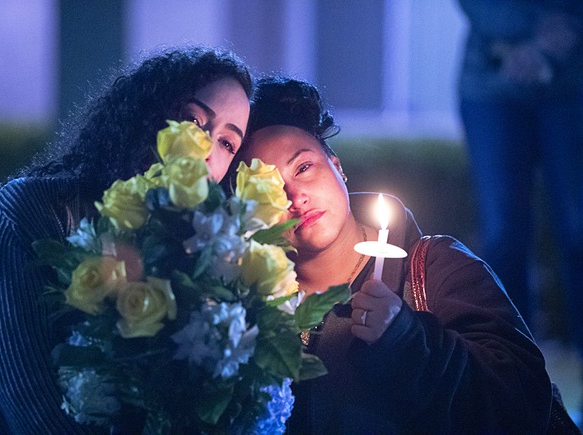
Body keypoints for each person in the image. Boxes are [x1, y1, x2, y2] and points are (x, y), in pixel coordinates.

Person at [234, 76, 559, 433]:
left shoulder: (437, 269)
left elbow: (523, 401)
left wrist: (405, 341)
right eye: (269, 190)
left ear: (337, 166)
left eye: (304, 167)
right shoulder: (243, 310)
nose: (295, 197)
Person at [0, 46, 252, 433]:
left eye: (228, 143)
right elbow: (23, 402)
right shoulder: (34, 210)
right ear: (149, 113)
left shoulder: (205, 256)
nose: (206, 151)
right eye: (194, 121)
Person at [457, 1, 583, 368]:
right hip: (490, 84)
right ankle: (512, 370)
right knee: (503, 235)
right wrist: (538, 38)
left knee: (579, 231)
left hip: (572, 84)